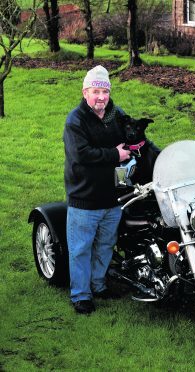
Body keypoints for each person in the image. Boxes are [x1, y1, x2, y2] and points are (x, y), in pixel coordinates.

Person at [63, 65, 133, 315]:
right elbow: (81, 155)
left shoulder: (115, 113)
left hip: (113, 197)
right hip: (84, 198)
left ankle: (99, 285)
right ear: (85, 92)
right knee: (81, 249)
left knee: (105, 245)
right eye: (95, 91)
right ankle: (81, 295)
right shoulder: (76, 120)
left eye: (105, 92)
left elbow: (132, 134)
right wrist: (115, 154)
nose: (101, 97)